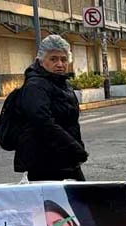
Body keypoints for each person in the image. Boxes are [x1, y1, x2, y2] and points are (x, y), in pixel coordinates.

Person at [16, 35, 88, 182]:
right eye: (53, 59)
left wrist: (75, 148)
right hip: (44, 161)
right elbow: (42, 122)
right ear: (41, 61)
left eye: (64, 59)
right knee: (73, 201)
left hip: (65, 158)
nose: (60, 64)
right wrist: (74, 147)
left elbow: (69, 122)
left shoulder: (61, 83)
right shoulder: (35, 86)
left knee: (81, 200)